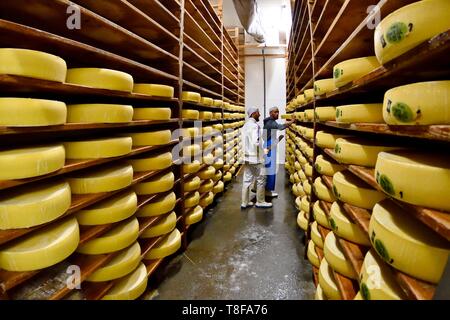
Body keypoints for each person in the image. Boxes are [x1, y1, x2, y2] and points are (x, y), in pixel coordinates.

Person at [241, 107, 273, 209]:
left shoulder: (245, 125)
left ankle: (244, 202)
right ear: (253, 113)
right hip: (255, 157)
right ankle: (260, 201)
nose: (259, 115)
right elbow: (256, 142)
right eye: (258, 113)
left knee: (247, 180)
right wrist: (263, 150)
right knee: (261, 178)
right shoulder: (255, 126)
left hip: (246, 156)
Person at [263, 107, 294, 198]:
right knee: (271, 169)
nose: (277, 114)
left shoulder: (268, 120)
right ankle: (268, 190)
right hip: (270, 145)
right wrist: (291, 121)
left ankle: (265, 188)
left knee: (269, 167)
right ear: (271, 113)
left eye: (278, 112)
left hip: (268, 144)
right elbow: (281, 127)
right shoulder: (271, 123)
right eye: (275, 112)